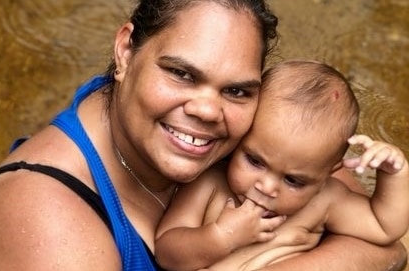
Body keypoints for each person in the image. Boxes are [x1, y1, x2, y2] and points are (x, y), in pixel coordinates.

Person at [0, 1, 406, 270]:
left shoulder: (246, 141)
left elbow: (387, 244)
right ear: (125, 50)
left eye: (236, 89)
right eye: (180, 73)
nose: (208, 111)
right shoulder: (43, 220)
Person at [155, 60, 409, 271]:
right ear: (240, 139)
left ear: (327, 174)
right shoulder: (210, 185)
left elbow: (383, 226)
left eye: (293, 180)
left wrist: (394, 173)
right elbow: (166, 252)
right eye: (255, 161)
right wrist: (221, 237)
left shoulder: (324, 200)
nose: (266, 186)